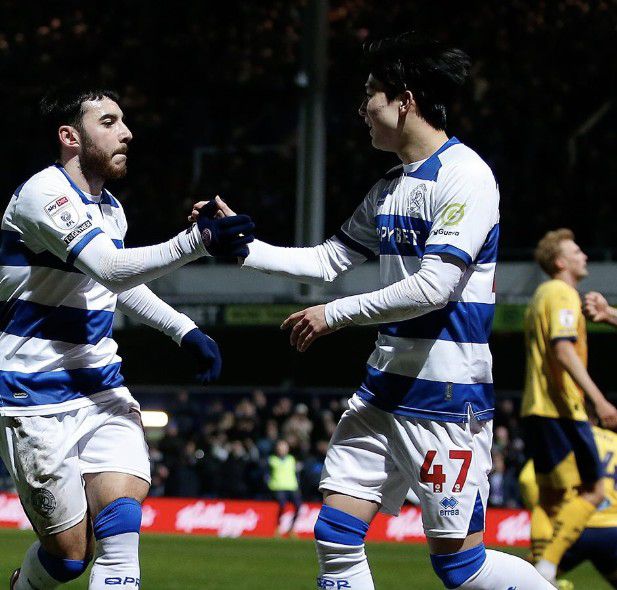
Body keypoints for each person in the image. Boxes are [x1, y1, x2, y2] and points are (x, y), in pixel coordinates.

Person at [192, 32, 551, 590]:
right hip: (382, 389)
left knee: (460, 566)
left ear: (404, 101)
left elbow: (435, 286)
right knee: (335, 536)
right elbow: (329, 259)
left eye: (370, 95)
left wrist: (334, 314)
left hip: (442, 397)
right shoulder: (390, 187)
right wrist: (242, 249)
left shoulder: (466, 176)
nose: (362, 108)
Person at [0, 85, 254, 589]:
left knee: (120, 530)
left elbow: (113, 284)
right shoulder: (43, 194)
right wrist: (198, 240)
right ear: (70, 136)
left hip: (102, 388)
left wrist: (183, 329)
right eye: (109, 122)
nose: (127, 133)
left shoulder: (111, 208)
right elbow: (112, 268)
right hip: (34, 395)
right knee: (69, 559)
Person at [521, 228, 617, 584]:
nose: (585, 256)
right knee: (593, 490)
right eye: (577, 251)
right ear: (561, 262)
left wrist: (609, 315)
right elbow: (562, 349)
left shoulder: (542, 293)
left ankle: (537, 572)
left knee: (550, 498)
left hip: (537, 406)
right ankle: (545, 571)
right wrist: (598, 398)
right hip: (561, 409)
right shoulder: (563, 293)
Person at [519, 424, 617, 588]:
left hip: (572, 528)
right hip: (612, 530)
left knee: (528, 580)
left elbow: (527, 480)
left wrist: (546, 512)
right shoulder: (614, 441)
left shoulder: (565, 438)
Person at [268, 439, 303, 536]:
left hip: (292, 486)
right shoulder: (272, 460)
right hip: (278, 487)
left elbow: (297, 473)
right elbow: (267, 474)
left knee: (298, 507)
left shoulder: (292, 459)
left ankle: (291, 528)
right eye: (280, 447)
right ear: (276, 448)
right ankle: (278, 527)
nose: (282, 449)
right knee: (282, 506)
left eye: (284, 447)